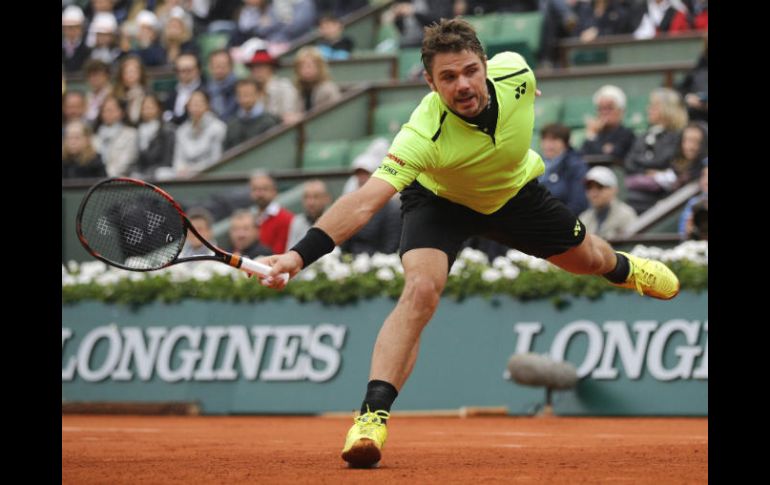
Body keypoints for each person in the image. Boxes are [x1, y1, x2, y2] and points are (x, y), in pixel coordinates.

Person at [256, 18, 680, 469]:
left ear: (485, 65)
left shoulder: (516, 72)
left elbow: (520, 84)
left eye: (470, 71)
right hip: (440, 201)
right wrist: (298, 255)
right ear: (430, 82)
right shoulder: (422, 133)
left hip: (513, 193)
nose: (463, 85)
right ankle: (370, 417)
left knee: (588, 260)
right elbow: (363, 204)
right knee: (421, 290)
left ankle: (625, 269)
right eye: (448, 77)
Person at [580, 84, 637, 162]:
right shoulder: (595, 134)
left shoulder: (626, 134)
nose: (604, 112)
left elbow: (607, 157)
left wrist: (594, 139)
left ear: (621, 111)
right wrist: (592, 136)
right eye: (601, 108)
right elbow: (581, 157)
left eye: (609, 108)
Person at [578, 165, 637, 239]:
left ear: (614, 189)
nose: (594, 193)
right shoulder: (584, 218)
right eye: (589, 188)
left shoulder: (626, 215)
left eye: (600, 187)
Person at [287, 179, 333, 249]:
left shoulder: (335, 220)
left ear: (327, 199)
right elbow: (290, 251)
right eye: (307, 197)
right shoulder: (297, 221)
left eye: (316, 197)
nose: (311, 202)